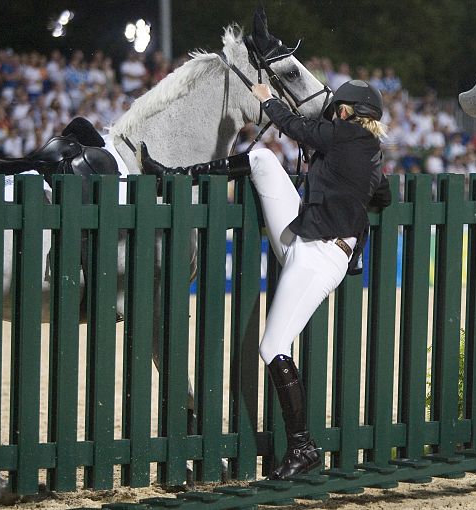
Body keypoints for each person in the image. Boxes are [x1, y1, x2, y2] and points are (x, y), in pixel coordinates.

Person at [138, 79, 392, 480]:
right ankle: (175, 174)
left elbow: (297, 128)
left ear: (345, 112)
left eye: (335, 110)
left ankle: (303, 446)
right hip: (303, 239)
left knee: (273, 345)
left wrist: (266, 99)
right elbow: (384, 197)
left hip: (319, 257)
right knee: (262, 161)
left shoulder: (348, 135)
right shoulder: (368, 149)